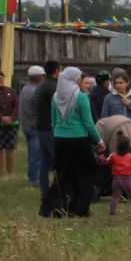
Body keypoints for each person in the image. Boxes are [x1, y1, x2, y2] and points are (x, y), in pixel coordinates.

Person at [49, 67, 106, 218]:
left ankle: (59, 207)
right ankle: (80, 208)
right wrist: (99, 140)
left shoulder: (56, 97)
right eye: (79, 77)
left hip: (61, 139)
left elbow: (53, 122)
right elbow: (88, 123)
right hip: (79, 139)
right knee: (82, 174)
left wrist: (59, 136)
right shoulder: (81, 97)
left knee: (63, 175)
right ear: (75, 79)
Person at [18, 64, 49, 190]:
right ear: (38, 77)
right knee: (37, 154)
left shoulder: (25, 88)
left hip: (26, 125)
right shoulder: (36, 91)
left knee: (32, 153)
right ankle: (33, 179)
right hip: (35, 126)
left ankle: (33, 176)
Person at [106, 134, 131, 217]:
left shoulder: (113, 156)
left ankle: (112, 212)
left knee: (115, 196)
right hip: (127, 179)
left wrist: (102, 159)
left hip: (116, 179)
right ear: (128, 146)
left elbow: (107, 162)